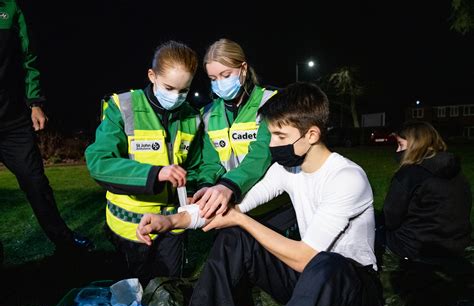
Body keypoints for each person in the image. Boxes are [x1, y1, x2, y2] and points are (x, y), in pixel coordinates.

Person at [137, 82, 384, 306]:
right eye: (270, 135)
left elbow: (306, 256)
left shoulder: (347, 177)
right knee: (234, 236)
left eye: (280, 136)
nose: (272, 144)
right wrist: (169, 221)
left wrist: (241, 220)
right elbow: (231, 207)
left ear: (311, 135)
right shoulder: (288, 170)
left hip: (353, 287)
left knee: (327, 264)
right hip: (308, 279)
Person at [85, 40, 203, 286]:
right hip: (130, 228)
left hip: (173, 228)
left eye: (184, 90)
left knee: (169, 290)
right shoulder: (123, 107)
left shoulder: (192, 116)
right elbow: (99, 162)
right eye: (169, 87)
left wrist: (192, 190)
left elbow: (195, 165)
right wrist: (155, 173)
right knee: (134, 294)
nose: (177, 97)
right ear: (152, 76)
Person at [0, 0, 92, 257]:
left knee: (36, 183)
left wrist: (35, 103)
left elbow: (28, 58)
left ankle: (63, 240)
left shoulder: (10, 9)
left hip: (13, 121)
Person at [192, 38, 294, 233]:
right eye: (213, 79)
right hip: (230, 204)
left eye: (226, 74)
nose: (219, 83)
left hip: (272, 207)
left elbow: (261, 154)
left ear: (243, 68)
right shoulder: (207, 114)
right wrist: (206, 187)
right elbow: (211, 162)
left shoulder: (271, 102)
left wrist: (228, 185)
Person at [380, 120, 473, 306]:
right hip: (456, 246)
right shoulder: (456, 171)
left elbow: (391, 217)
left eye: (400, 145)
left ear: (414, 145)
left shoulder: (409, 174)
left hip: (415, 251)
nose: (397, 151)